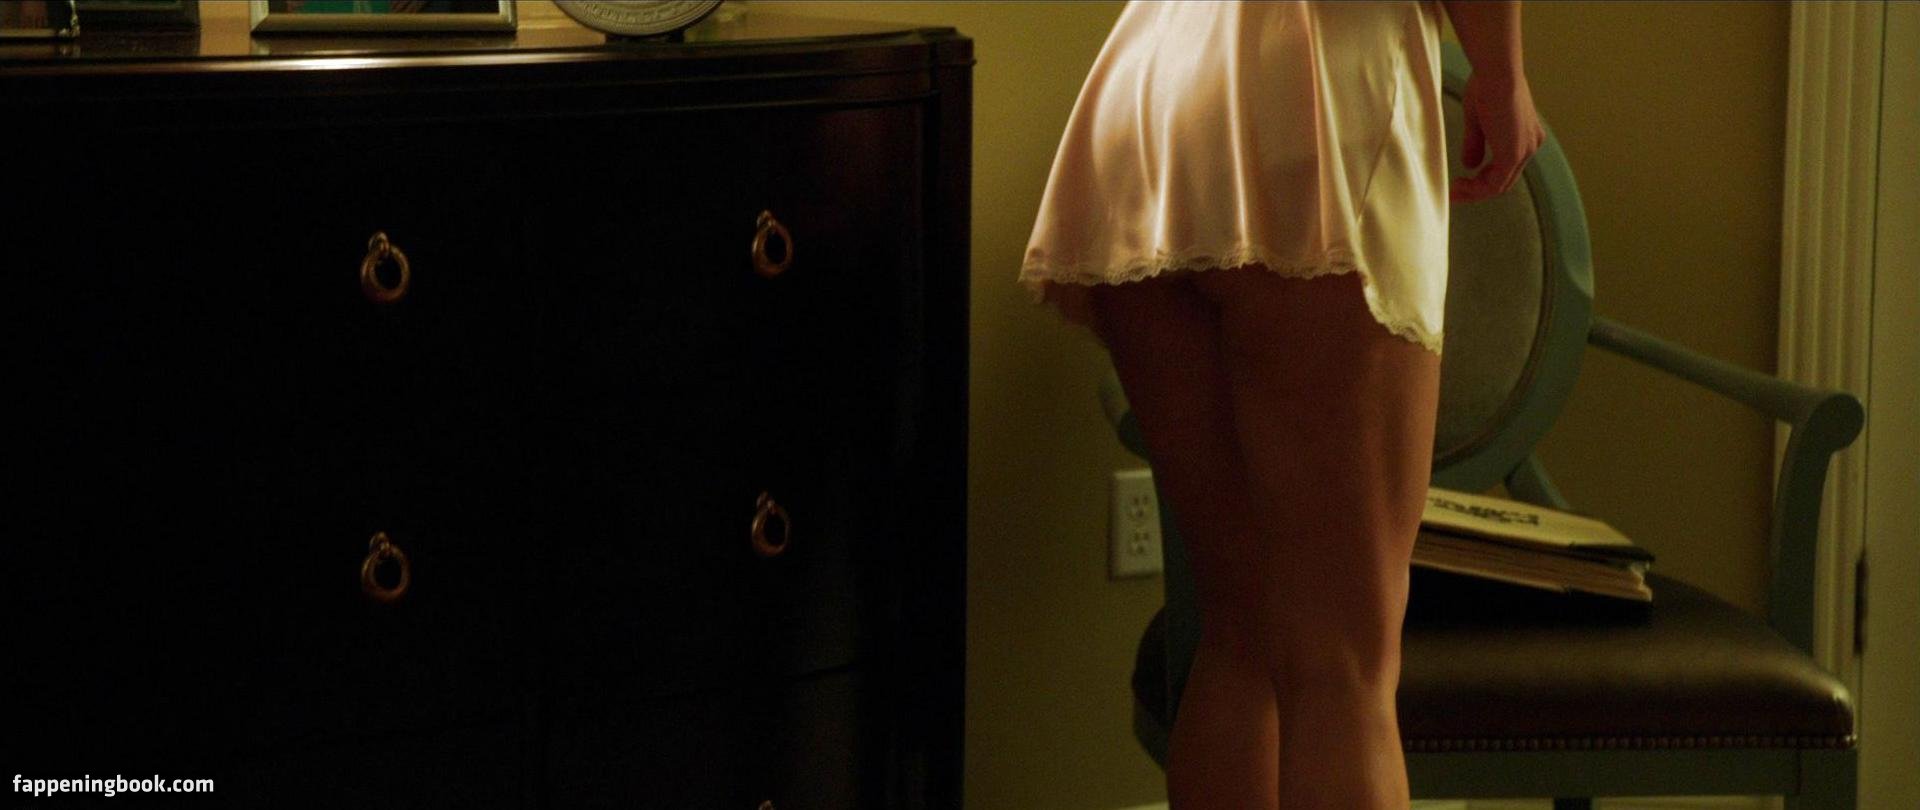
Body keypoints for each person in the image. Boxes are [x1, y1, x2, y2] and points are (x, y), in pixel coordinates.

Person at [1018, 2, 1543, 808]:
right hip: (1313, 91)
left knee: (1243, 632)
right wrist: (1502, 75)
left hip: (1151, 77)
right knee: (1344, 665)